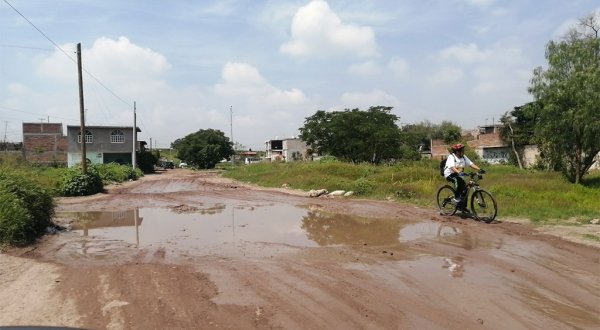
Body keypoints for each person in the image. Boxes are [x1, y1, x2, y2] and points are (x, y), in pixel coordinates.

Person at [443, 143, 482, 210]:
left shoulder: (463, 157)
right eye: (461, 150)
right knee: (457, 180)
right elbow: (452, 167)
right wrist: (459, 172)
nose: (463, 151)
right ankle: (456, 198)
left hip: (458, 174)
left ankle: (463, 207)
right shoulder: (451, 157)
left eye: (463, 150)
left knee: (465, 189)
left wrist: (480, 169)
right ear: (457, 151)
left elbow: (471, 164)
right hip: (449, 174)